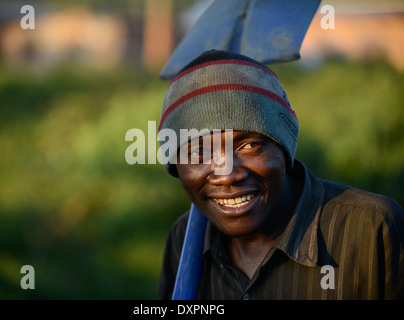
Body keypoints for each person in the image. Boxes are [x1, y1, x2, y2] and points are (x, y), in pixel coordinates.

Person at [156, 50, 404, 300]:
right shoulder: (184, 240)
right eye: (199, 152)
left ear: (284, 149)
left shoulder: (373, 230)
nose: (227, 174)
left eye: (249, 146)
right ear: (176, 167)